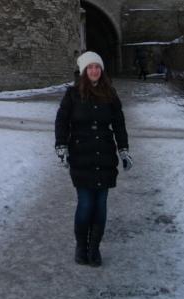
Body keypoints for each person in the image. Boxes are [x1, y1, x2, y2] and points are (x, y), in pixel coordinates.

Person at [54, 51, 132, 266]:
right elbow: (61, 121)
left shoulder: (110, 94)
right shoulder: (72, 94)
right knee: (86, 203)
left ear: (102, 70)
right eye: (90, 67)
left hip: (104, 156)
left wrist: (123, 149)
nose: (94, 71)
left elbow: (118, 124)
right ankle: (82, 246)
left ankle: (95, 248)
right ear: (83, 71)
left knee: (101, 205)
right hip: (81, 155)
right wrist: (61, 145)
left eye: (97, 67)